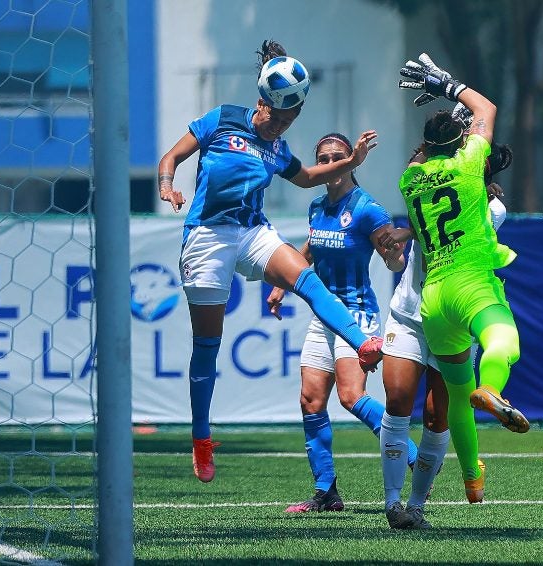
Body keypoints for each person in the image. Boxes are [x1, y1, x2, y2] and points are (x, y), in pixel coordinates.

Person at [156, 40, 384, 483]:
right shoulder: (222, 119)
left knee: (308, 280)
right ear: (260, 103)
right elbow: (173, 156)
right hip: (207, 236)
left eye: (289, 120)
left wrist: (353, 161)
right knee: (208, 343)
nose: (279, 126)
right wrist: (168, 184)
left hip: (251, 232)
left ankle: (362, 344)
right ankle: (201, 439)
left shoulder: (278, 150)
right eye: (275, 117)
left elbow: (305, 179)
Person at [383, 53, 530, 505]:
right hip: (467, 282)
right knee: (504, 343)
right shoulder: (470, 169)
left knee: (454, 398)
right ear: (465, 143)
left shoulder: (410, 179)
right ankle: (494, 389)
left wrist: (446, 124)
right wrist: (449, 86)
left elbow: (427, 157)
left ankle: (471, 475)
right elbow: (486, 111)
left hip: (433, 298)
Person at [265, 132, 417, 513]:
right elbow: (313, 245)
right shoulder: (317, 207)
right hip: (323, 316)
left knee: (351, 396)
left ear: (350, 160)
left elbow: (392, 256)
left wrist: (394, 258)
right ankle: (326, 492)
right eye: (324, 157)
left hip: (357, 313)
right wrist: (283, 285)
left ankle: (415, 458)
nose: (331, 162)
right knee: (310, 399)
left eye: (337, 155)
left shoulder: (367, 208)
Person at [381, 175, 510, 529]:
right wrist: (395, 255)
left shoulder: (493, 209)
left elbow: (447, 233)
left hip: (453, 317)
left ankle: (416, 505)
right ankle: (393, 504)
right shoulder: (423, 183)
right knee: (397, 399)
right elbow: (404, 251)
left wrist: (408, 231)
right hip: (409, 314)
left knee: (438, 415)